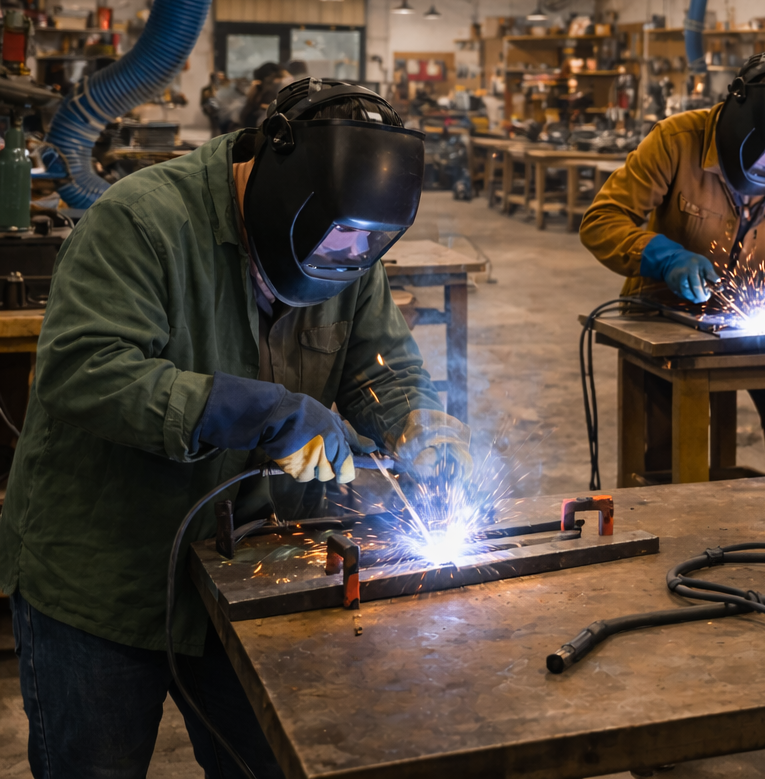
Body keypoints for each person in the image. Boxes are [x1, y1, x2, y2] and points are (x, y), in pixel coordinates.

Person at [0, 78, 473, 778]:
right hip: (105, 576)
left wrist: (417, 422)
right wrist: (254, 412)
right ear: (280, 193)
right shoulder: (143, 221)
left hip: (255, 569)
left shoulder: (351, 244)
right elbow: (80, 373)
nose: (347, 260)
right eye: (336, 242)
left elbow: (381, 368)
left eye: (364, 249)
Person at [581, 53, 765, 478]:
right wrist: (664, 257)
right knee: (669, 457)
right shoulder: (675, 140)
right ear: (742, 125)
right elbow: (601, 222)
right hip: (666, 315)